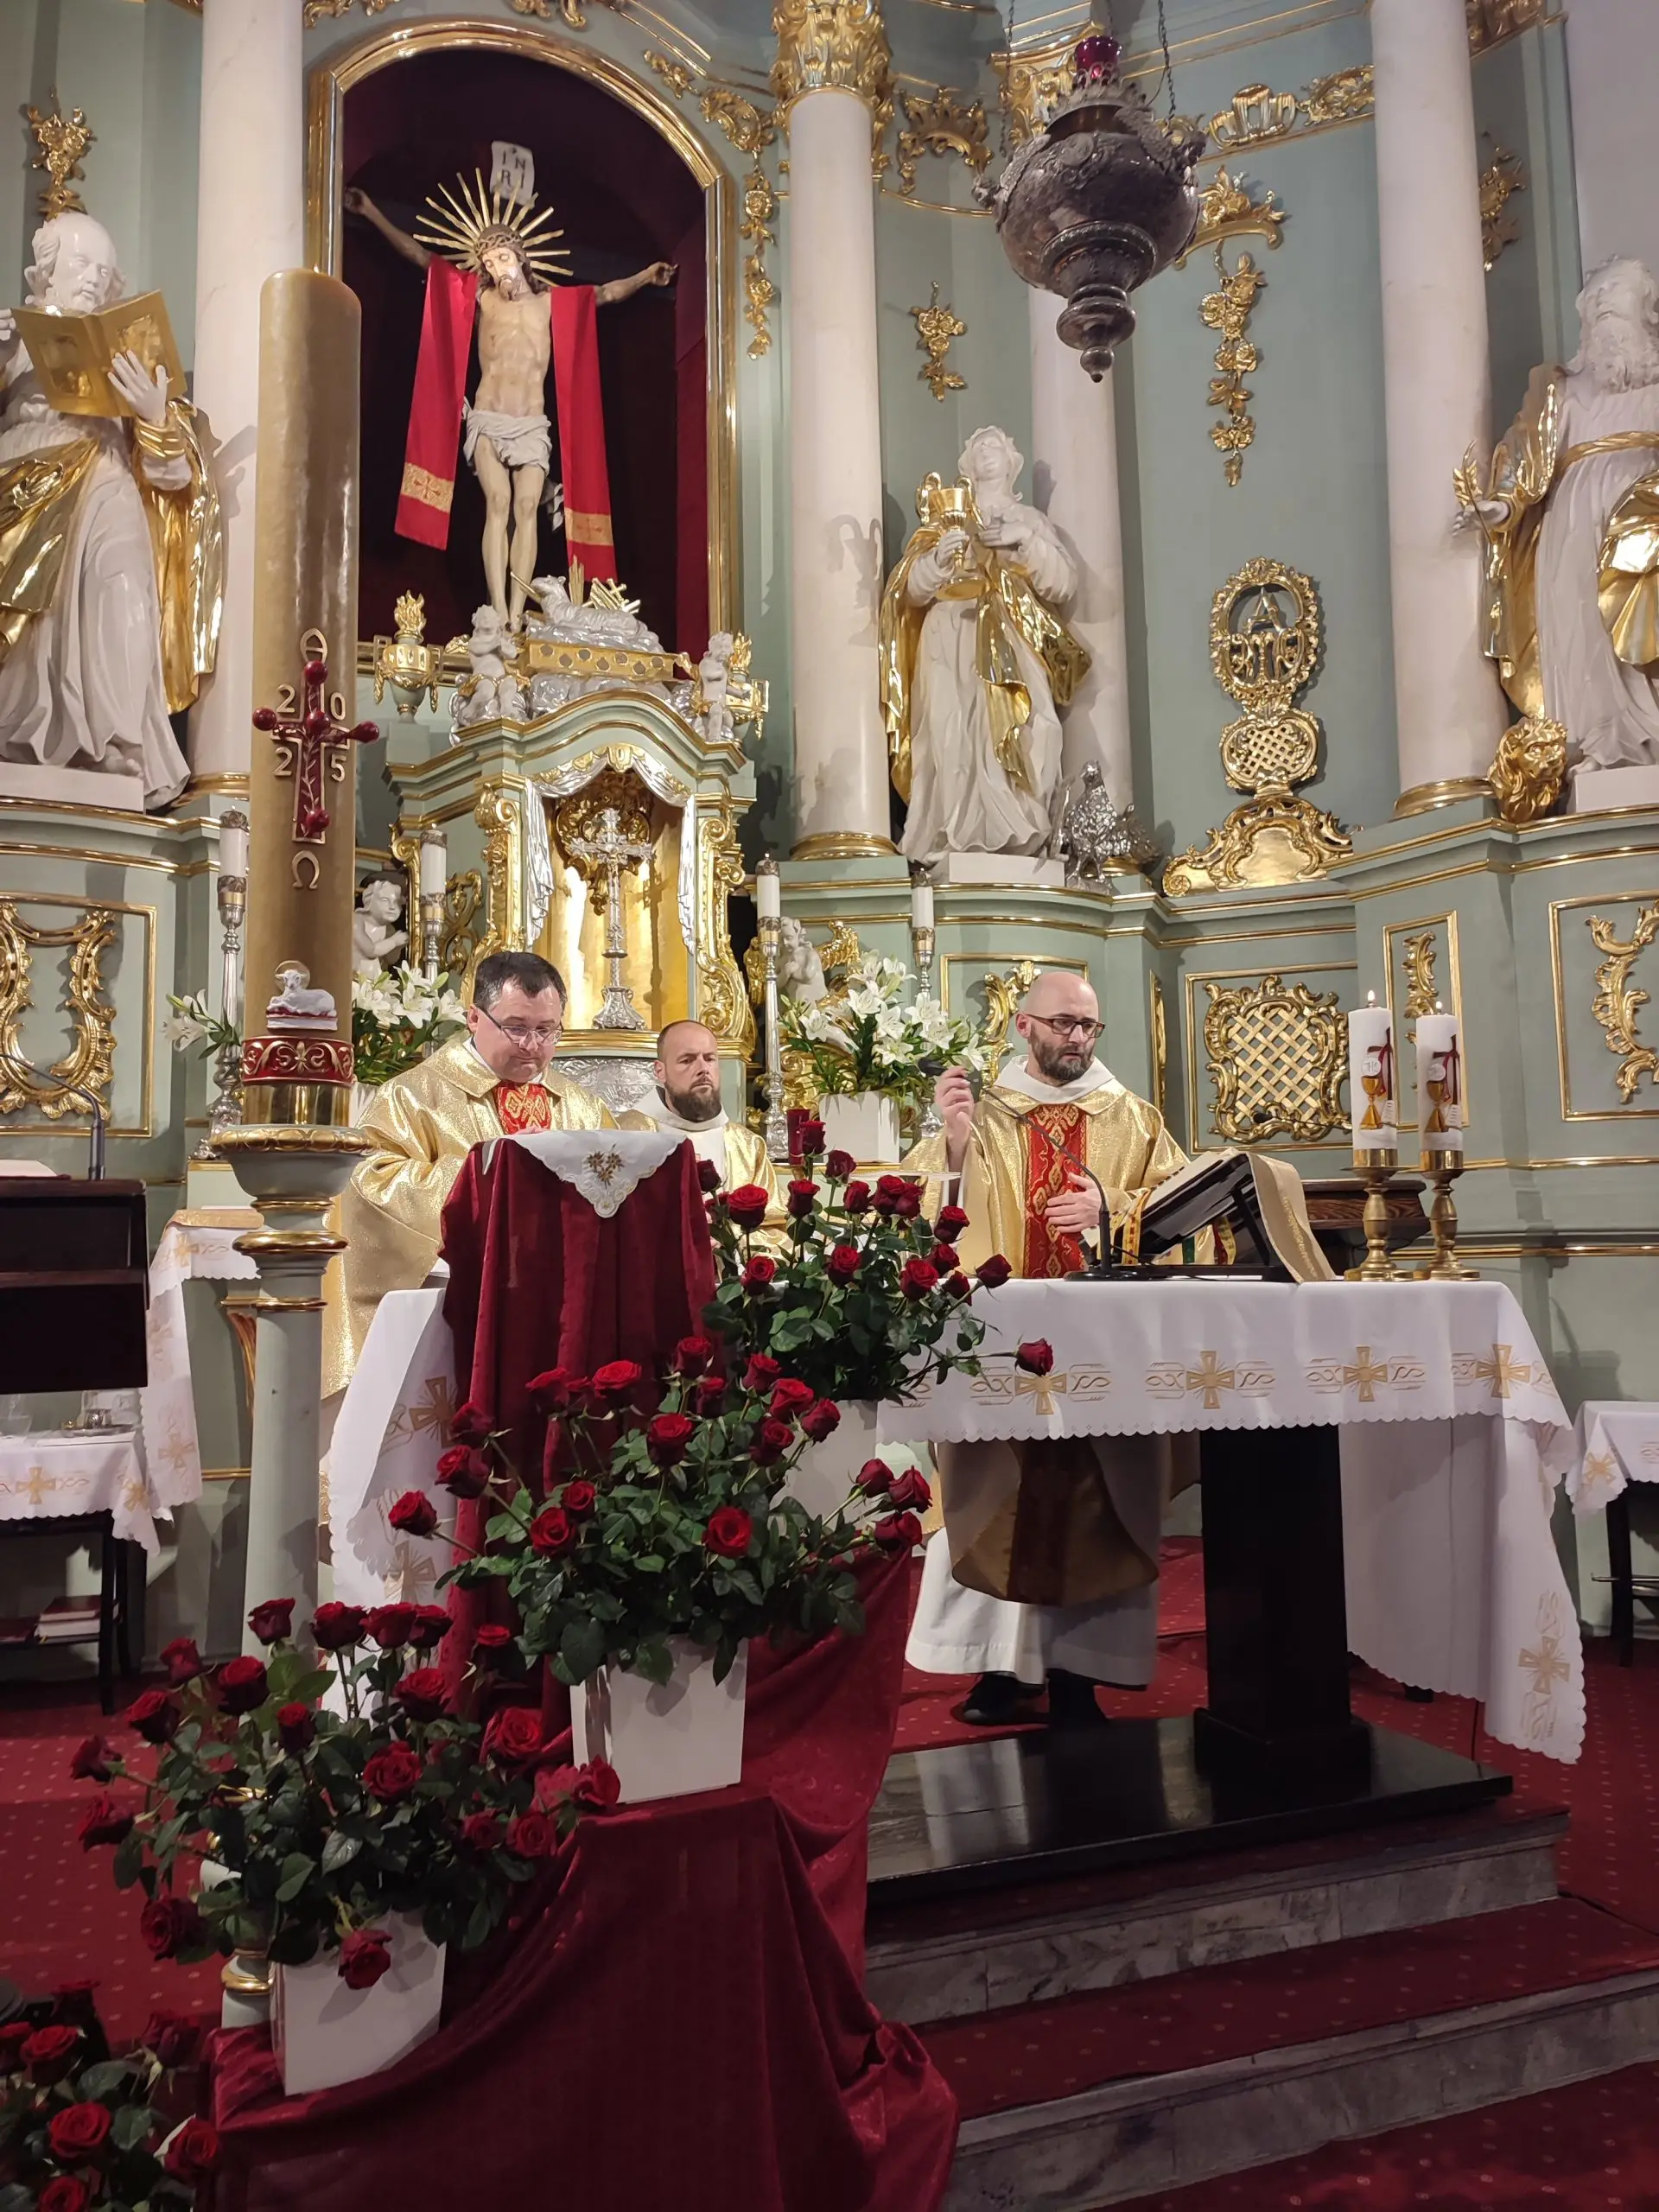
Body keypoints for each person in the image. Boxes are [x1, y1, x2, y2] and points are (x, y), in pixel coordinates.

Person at [901, 969, 1201, 1729]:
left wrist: (1114, 1208)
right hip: (1002, 1346)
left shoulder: (1133, 1118)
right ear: (1024, 1026)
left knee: (1098, 1501)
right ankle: (998, 1670)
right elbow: (925, 1222)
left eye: (1088, 1026)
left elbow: (1187, 1213)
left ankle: (1081, 1676)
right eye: (1063, 1023)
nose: (1077, 1038)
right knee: (996, 1495)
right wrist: (955, 1151)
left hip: (1104, 1350)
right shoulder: (982, 1114)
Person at [346, 185, 672, 628]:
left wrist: (645, 277)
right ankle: (498, 610)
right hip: (488, 418)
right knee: (498, 501)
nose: (497, 267)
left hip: (532, 425)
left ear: (521, 256)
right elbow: (422, 257)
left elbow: (606, 295)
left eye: (502, 257)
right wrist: (371, 211)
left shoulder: (552, 304)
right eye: (489, 262)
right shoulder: (481, 300)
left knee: (527, 507)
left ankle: (518, 614)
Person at [0, 208, 218, 807]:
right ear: (44, 273)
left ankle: (118, 738)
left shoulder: (129, 353)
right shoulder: (13, 340)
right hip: (25, 478)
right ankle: (20, 734)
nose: (94, 277)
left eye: (104, 269)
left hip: (104, 475)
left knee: (124, 590)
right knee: (30, 620)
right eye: (81, 263)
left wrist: (152, 412)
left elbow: (174, 476)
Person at [323, 951, 611, 1396]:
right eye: (516, 1027)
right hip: (460, 1301)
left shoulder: (582, 1106)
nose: (532, 1045)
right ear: (475, 1018)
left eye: (546, 1030)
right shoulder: (413, 1096)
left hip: (560, 1300)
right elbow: (370, 1180)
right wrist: (488, 1170)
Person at [1459, 257, 1659, 771]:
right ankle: (1599, 741)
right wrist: (1504, 504)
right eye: (1596, 297)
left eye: (1617, 291)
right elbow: (1526, 456)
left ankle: (1648, 735)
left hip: (1645, 517)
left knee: (1639, 620)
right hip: (1571, 520)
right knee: (1580, 625)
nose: (1604, 301)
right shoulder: (1562, 388)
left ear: (1647, 310)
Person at [880, 427, 1090, 866]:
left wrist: (1023, 542)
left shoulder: (1028, 519)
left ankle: (1020, 822)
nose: (986, 453)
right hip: (947, 635)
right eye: (978, 448)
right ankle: (949, 828)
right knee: (949, 730)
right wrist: (938, 560)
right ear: (967, 465)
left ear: (1012, 462)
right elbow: (909, 592)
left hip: (1008, 632)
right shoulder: (944, 521)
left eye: (994, 446)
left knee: (1030, 724)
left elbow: (1063, 584)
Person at [619, 1019, 782, 1209]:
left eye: (710, 1059)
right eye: (687, 1060)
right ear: (660, 1071)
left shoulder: (748, 1147)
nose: (703, 1069)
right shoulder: (624, 1136)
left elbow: (775, 1221)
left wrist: (728, 1228)